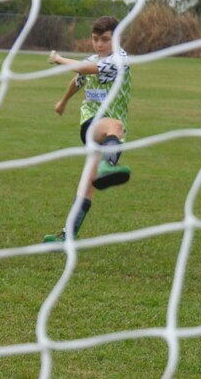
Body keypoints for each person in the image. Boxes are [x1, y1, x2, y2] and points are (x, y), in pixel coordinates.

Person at [43, 15, 132, 242]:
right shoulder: (93, 59)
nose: (99, 44)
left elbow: (84, 70)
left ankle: (66, 236)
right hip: (92, 125)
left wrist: (59, 59)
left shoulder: (120, 60)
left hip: (111, 138)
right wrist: (63, 102)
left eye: (104, 39)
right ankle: (110, 165)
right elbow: (77, 81)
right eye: (95, 39)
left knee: (87, 185)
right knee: (116, 124)